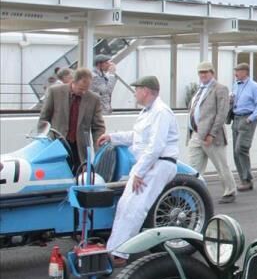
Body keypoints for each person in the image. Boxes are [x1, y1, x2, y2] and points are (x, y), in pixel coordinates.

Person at [98, 76, 181, 265]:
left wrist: (139, 173)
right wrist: (112, 137)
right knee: (124, 206)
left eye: (137, 89)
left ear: (146, 90)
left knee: (135, 207)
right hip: (148, 163)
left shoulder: (160, 112)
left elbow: (156, 146)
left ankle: (122, 252)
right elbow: (137, 137)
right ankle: (114, 248)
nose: (134, 93)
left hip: (158, 163)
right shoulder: (147, 112)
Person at [186, 62, 237, 203]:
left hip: (212, 136)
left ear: (212, 73)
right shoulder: (199, 90)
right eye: (200, 72)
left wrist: (212, 134)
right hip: (195, 134)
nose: (203, 75)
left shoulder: (220, 89)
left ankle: (230, 191)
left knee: (221, 165)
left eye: (206, 72)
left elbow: (222, 114)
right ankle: (192, 191)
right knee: (193, 167)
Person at [38, 68, 105, 170]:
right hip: (57, 144)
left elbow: (98, 126)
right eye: (81, 89)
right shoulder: (55, 92)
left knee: (79, 176)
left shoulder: (93, 99)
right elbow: (44, 118)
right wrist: (43, 140)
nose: (84, 92)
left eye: (86, 89)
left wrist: (99, 149)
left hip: (79, 149)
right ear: (73, 82)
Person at [230, 62, 257, 191]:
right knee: (235, 151)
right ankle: (243, 179)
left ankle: (247, 179)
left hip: (247, 118)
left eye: (238, 71)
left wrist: (251, 119)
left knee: (241, 148)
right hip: (236, 118)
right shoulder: (235, 85)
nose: (235, 74)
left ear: (245, 72)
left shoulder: (254, 87)